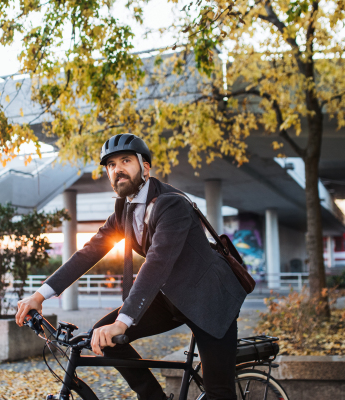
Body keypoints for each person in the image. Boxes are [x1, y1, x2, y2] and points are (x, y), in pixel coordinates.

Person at [16, 133, 246, 400]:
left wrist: (123, 322)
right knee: (103, 338)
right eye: (111, 165)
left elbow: (156, 263)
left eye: (125, 160)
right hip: (172, 296)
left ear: (145, 167)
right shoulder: (123, 210)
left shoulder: (171, 204)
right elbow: (89, 251)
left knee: (219, 392)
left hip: (209, 298)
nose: (117, 169)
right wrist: (39, 295)